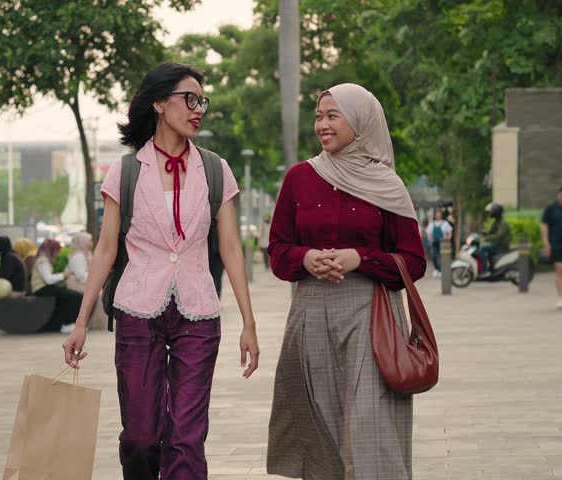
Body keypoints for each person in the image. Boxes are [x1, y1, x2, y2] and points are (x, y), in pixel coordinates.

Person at [61, 62, 260, 480]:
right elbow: (106, 248)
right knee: (141, 437)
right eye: (189, 99)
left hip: (198, 312)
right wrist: (81, 321)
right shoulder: (127, 170)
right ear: (158, 102)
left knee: (187, 438)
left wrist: (248, 322)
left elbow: (229, 248)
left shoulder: (215, 169)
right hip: (137, 310)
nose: (198, 109)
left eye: (201, 101)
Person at [266, 83, 426, 479]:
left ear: (360, 121)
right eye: (319, 116)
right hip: (312, 314)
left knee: (371, 427)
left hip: (371, 318)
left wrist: (362, 259)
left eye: (333, 115)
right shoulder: (300, 178)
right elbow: (278, 251)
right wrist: (306, 257)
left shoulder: (387, 185)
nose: (322, 124)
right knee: (320, 428)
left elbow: (414, 262)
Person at [31, 238, 82, 333]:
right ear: (51, 250)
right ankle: (68, 323)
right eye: (56, 251)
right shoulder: (43, 260)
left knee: (72, 296)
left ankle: (65, 323)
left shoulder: (44, 259)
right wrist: (64, 275)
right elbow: (48, 279)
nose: (57, 253)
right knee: (75, 297)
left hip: (44, 288)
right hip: (41, 289)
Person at [65, 232, 109, 330]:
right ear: (83, 242)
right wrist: (96, 278)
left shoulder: (85, 254)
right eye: (89, 240)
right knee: (99, 294)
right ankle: (92, 323)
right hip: (77, 284)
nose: (92, 243)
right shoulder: (78, 256)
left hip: (83, 283)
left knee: (101, 293)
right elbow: (80, 275)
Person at [480, 202, 511, 274]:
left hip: (501, 247)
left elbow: (498, 236)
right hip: (497, 245)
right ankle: (490, 267)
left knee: (482, 249)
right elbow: (490, 232)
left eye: (491, 212)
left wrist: (486, 238)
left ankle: (485, 271)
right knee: (482, 247)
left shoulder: (503, 224)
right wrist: (484, 233)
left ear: (496, 212)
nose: (490, 214)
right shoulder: (497, 222)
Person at [426, 209, 452, 277]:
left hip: (443, 243)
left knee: (442, 257)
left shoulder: (445, 223)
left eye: (439, 215)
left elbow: (449, 233)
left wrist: (447, 240)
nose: (438, 216)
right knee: (434, 256)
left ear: (441, 216)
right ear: (435, 216)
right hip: (434, 243)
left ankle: (441, 270)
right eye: (437, 215)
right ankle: (436, 269)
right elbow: (429, 234)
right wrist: (430, 240)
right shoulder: (432, 223)